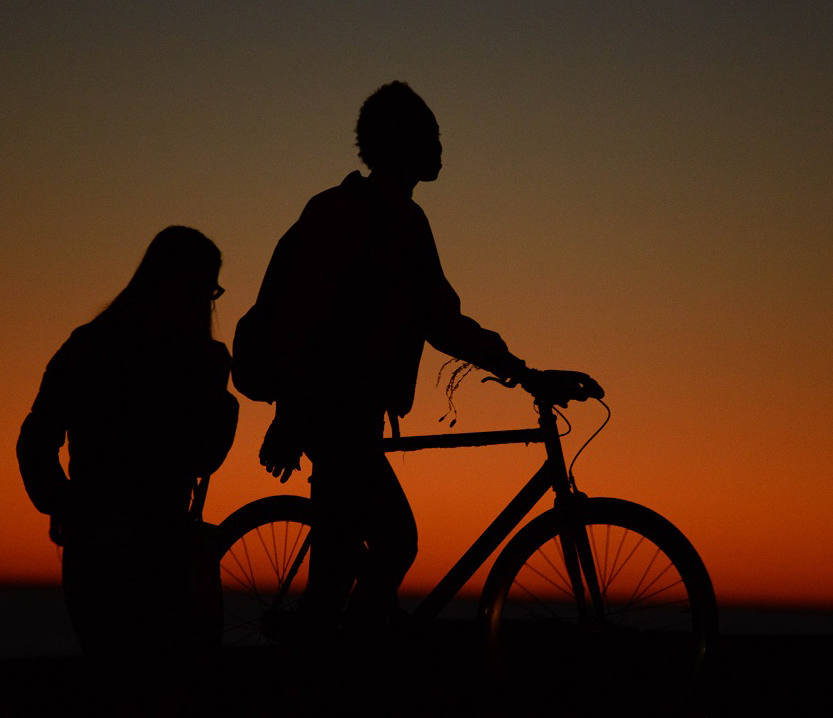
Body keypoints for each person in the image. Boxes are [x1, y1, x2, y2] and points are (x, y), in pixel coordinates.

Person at [248, 81, 601, 648]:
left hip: (343, 414)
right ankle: (344, 664)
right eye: (431, 137)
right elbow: (312, 319)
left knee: (340, 561)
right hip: (334, 412)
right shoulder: (367, 218)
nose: (441, 149)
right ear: (402, 144)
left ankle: (332, 662)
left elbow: (439, 318)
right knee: (390, 543)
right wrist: (291, 415)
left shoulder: (396, 218)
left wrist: (523, 371)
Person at [17, 225, 239, 713]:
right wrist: (221, 401)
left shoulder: (88, 344)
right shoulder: (194, 359)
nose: (208, 300)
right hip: (160, 548)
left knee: (115, 681)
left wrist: (65, 505)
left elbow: (36, 441)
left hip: (96, 547)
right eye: (204, 288)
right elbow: (206, 456)